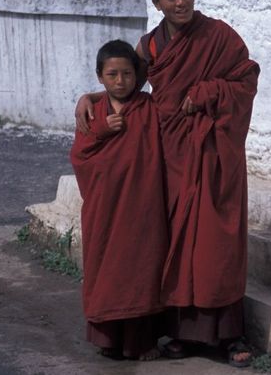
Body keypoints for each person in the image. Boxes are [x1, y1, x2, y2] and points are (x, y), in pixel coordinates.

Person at [75, 0, 260, 367]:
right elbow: (126, 84)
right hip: (171, 156)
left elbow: (246, 81)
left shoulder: (219, 36)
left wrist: (210, 91)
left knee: (215, 245)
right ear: (156, 2)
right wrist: (90, 96)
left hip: (213, 154)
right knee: (178, 245)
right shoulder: (152, 46)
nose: (181, 2)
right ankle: (184, 334)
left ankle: (230, 337)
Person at [70, 39, 168, 361]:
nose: (120, 81)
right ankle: (108, 339)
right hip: (105, 209)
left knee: (142, 269)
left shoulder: (148, 109)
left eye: (127, 74)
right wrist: (101, 131)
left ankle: (140, 342)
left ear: (137, 76)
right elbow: (80, 157)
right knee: (106, 268)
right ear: (100, 76)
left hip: (142, 207)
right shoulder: (92, 113)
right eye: (112, 75)